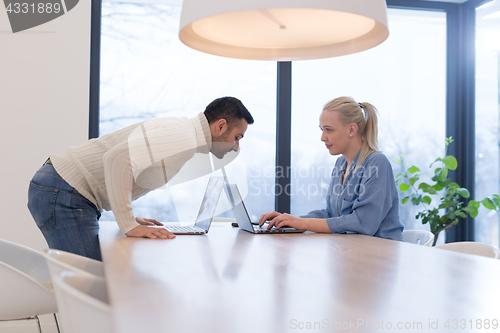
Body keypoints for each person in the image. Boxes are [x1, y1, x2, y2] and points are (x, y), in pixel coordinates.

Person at [28, 97, 254, 260]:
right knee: (90, 287)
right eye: (237, 138)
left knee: (96, 284)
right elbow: (116, 159)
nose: (235, 148)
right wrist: (128, 224)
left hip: (64, 189)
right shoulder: (184, 136)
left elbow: (127, 165)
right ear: (221, 125)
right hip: (64, 191)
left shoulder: (184, 132)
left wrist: (131, 218)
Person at [259, 96, 403, 241]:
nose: (322, 137)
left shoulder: (377, 163)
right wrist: (290, 220)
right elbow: (331, 215)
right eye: (322, 129)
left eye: (329, 130)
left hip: (380, 254)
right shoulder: (341, 163)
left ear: (352, 129)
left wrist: (303, 223)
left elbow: (363, 223)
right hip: (350, 250)